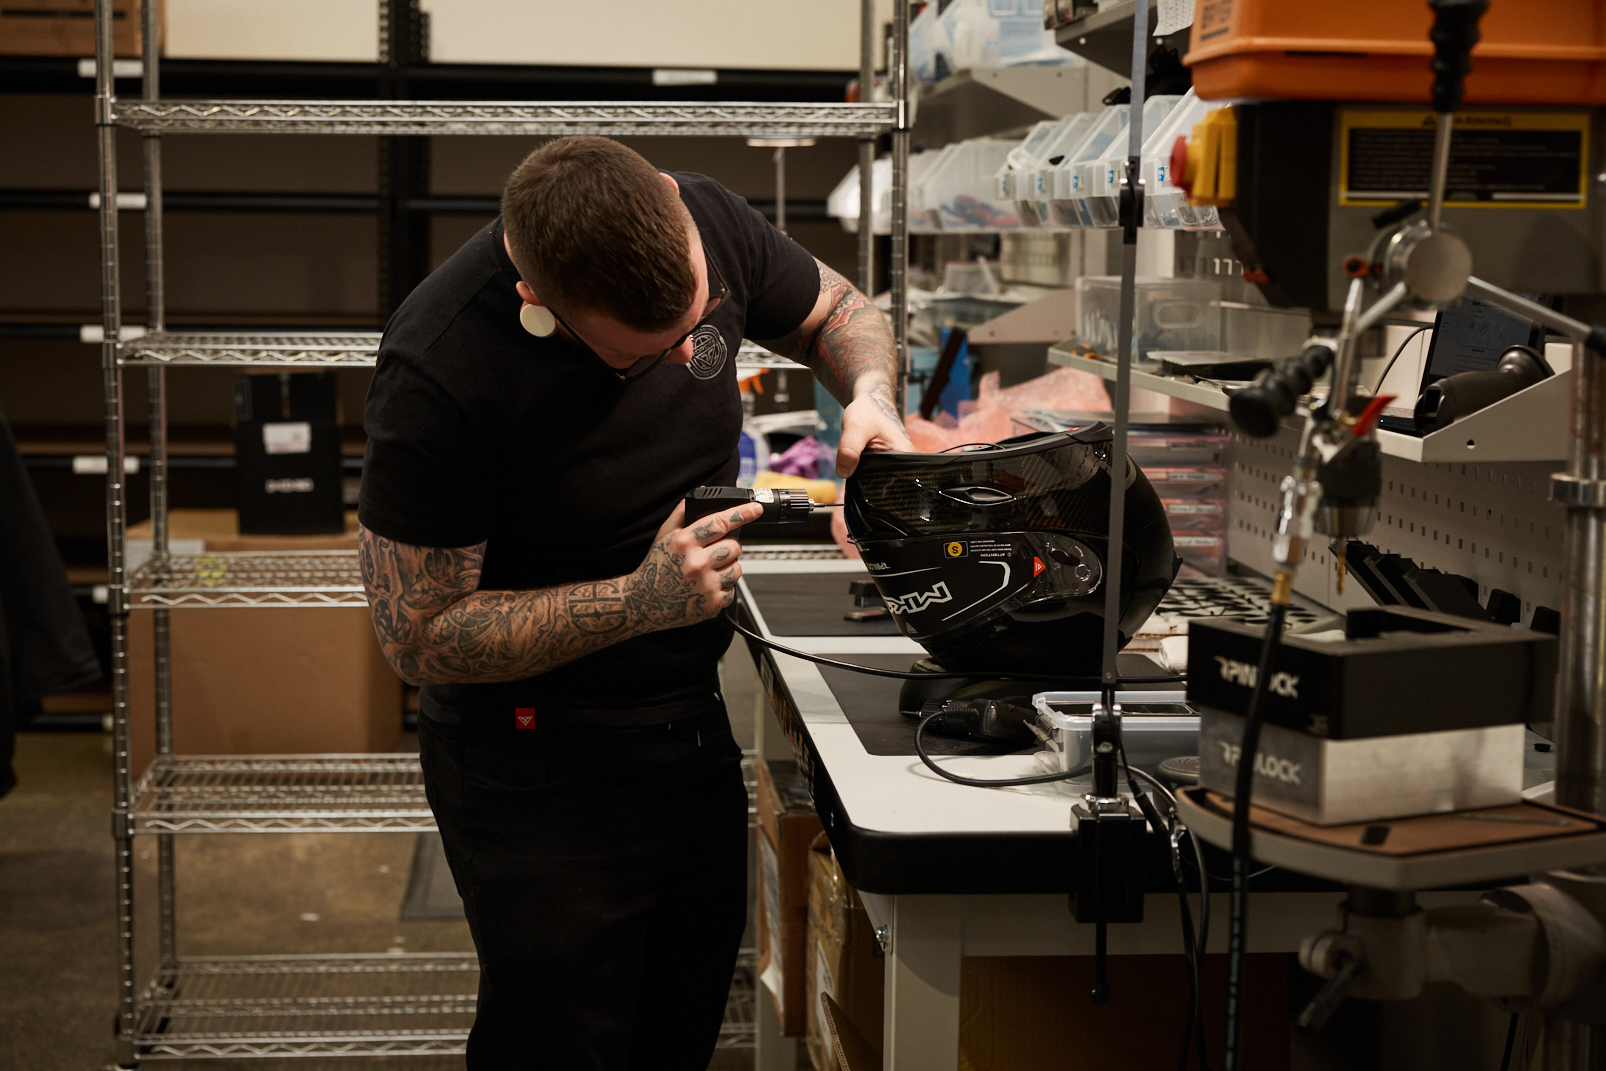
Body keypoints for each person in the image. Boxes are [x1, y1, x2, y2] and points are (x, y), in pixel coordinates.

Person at [356, 135, 912, 1070]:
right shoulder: (440, 367)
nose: (681, 364)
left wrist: (872, 396)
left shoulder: (708, 214)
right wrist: (636, 601)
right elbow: (417, 636)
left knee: (678, 1022)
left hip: (681, 727)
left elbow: (840, 310)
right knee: (562, 1041)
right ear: (539, 302)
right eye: (639, 358)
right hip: (532, 758)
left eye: (694, 334)